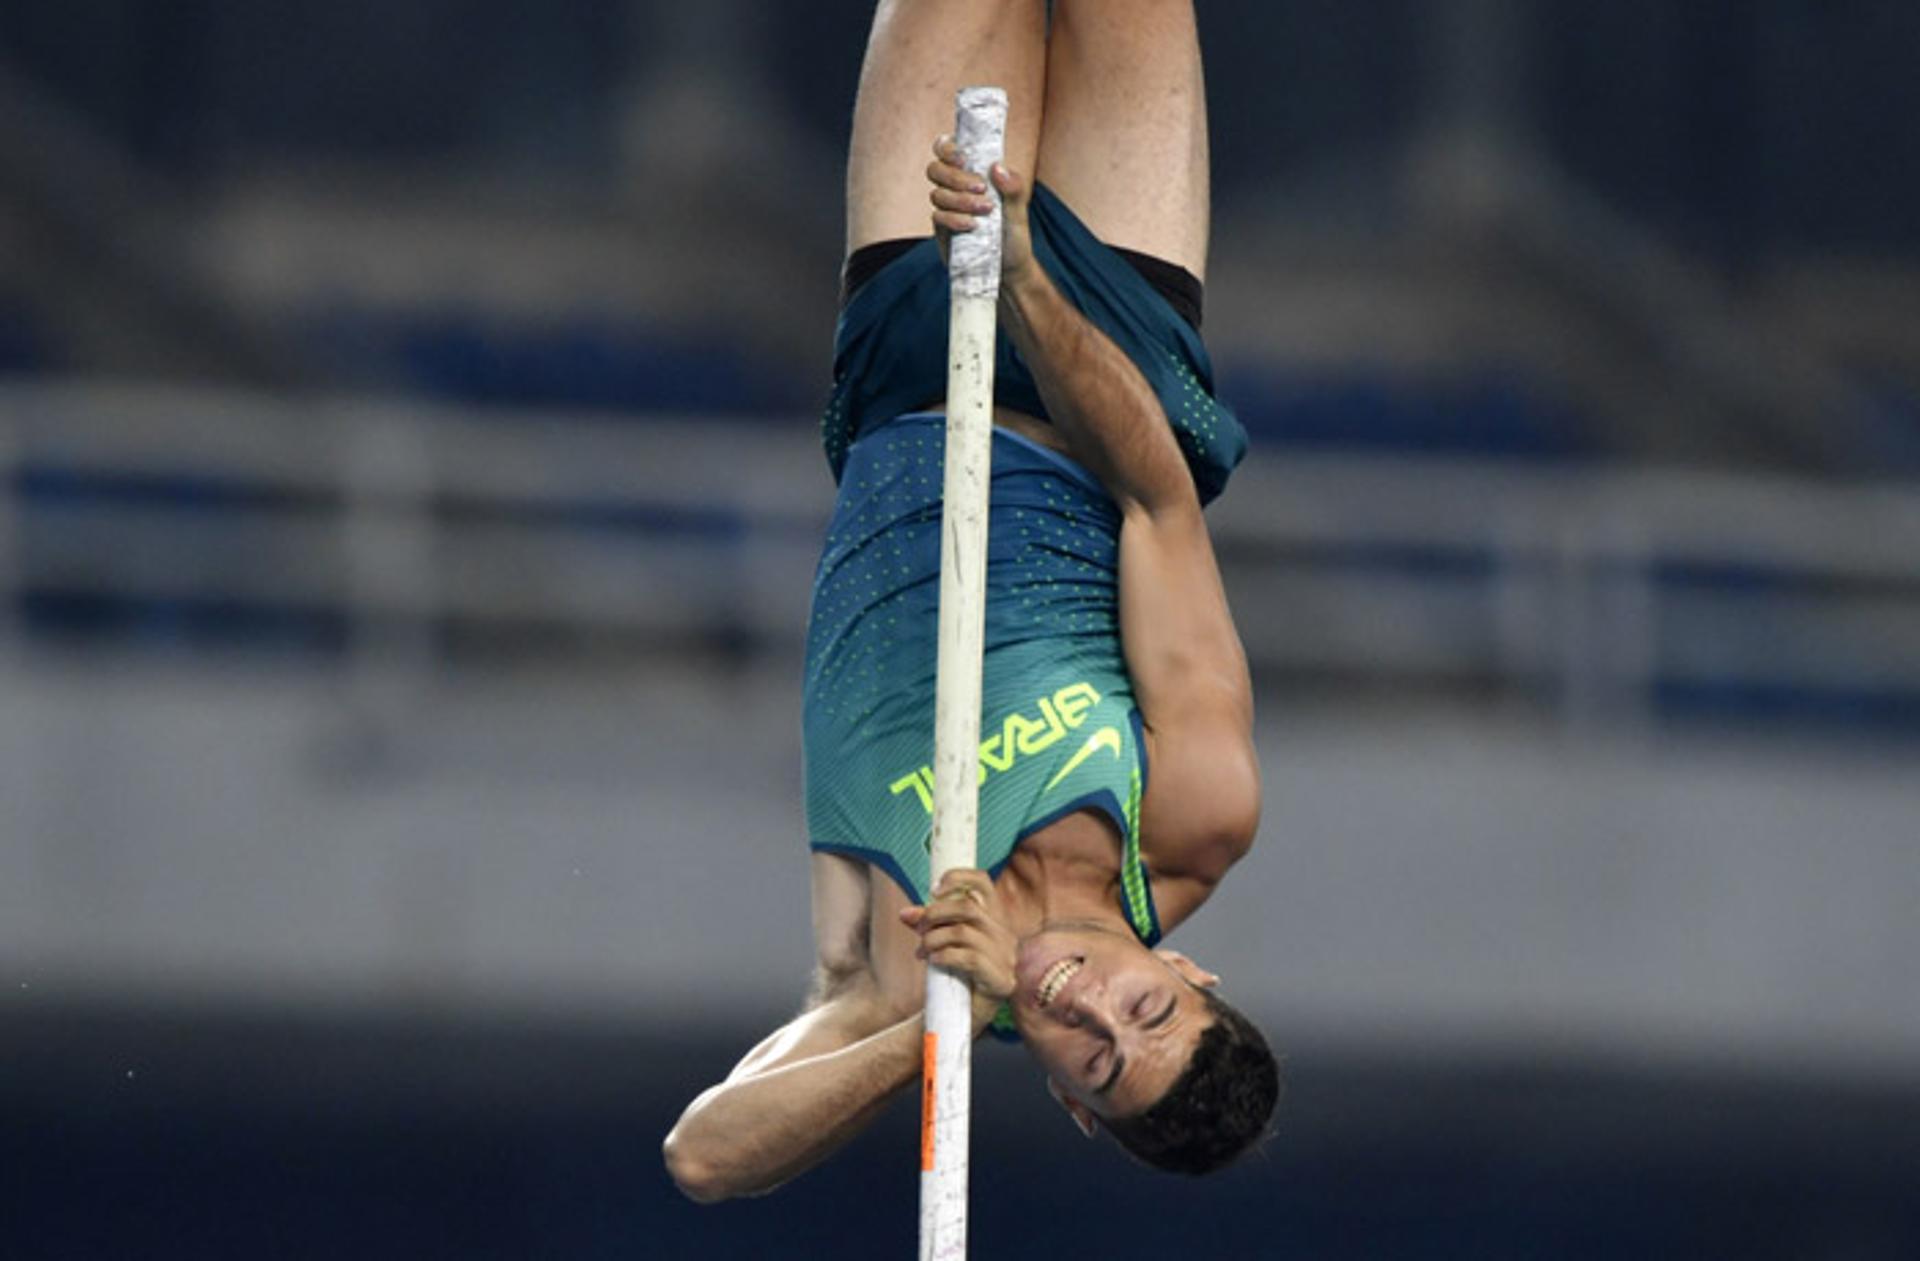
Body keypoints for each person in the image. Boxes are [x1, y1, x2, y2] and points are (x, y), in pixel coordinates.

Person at [664, 0, 1278, 1201]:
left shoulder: (903, 961)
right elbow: (1156, 495)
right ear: (1190, 971)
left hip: (905, 368)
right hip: (1106, 331)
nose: (1089, 1006)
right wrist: (1019, 278)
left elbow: (705, 1153)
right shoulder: (1189, 817)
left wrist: (946, 1022)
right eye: (1145, 1006)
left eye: (1097, 1061)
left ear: (1069, 1101)